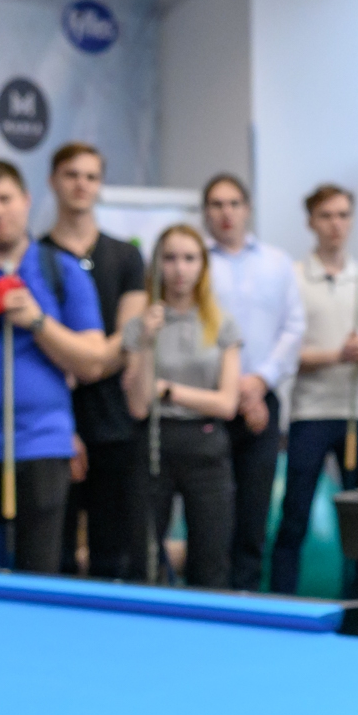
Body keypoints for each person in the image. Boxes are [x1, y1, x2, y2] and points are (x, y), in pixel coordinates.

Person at [0, 158, 108, 573]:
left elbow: (92, 363)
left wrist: (37, 321)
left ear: (26, 200)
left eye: (5, 199)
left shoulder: (61, 269)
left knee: (39, 571)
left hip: (42, 444)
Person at [271, 184, 358, 596]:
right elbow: (285, 354)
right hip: (310, 412)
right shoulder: (292, 278)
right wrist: (336, 354)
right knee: (295, 514)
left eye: (342, 215)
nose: (335, 224)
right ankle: (283, 601)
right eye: (326, 216)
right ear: (311, 222)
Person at [41, 142, 149, 579]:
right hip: (54, 420)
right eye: (71, 175)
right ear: (53, 181)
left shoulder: (126, 256)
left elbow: (130, 338)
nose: (81, 185)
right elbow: (41, 346)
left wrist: (87, 361)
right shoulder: (37, 256)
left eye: (91, 176)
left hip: (115, 421)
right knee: (57, 554)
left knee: (113, 554)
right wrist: (90, 358)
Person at [121, 223, 241, 589]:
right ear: (157, 265)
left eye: (189, 258)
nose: (179, 269)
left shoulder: (220, 323)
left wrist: (170, 391)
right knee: (145, 559)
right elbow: (138, 405)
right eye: (170, 258)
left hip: (205, 443)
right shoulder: (141, 325)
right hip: (155, 441)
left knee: (211, 558)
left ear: (202, 265)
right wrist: (146, 341)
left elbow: (227, 403)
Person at [202, 174, 302, 590]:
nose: (226, 213)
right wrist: (230, 387)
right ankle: (211, 597)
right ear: (205, 212)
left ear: (247, 209)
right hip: (208, 401)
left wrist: (259, 381)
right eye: (217, 204)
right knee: (211, 514)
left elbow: (293, 328)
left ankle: (245, 596)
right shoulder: (195, 263)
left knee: (254, 512)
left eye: (234, 203)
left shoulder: (277, 263)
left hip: (262, 400)